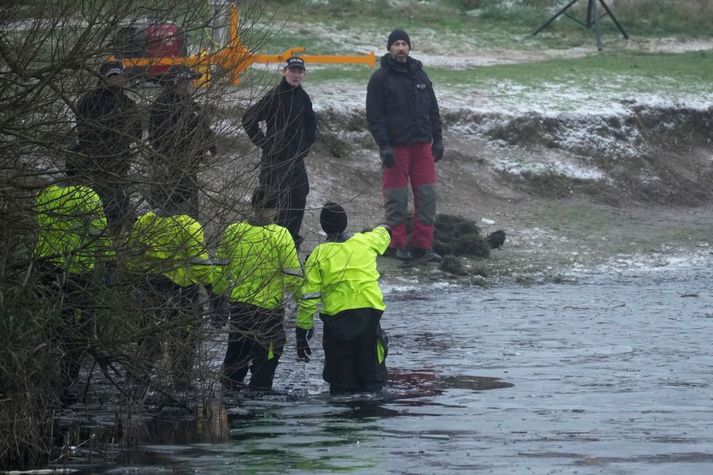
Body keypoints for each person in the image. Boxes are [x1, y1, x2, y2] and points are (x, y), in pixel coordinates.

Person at [212, 186, 303, 391]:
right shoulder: (281, 236)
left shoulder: (234, 231)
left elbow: (219, 270)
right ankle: (258, 402)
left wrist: (217, 298)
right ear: (277, 209)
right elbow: (293, 278)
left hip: (239, 309)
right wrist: (303, 304)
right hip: (268, 313)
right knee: (266, 362)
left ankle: (230, 404)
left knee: (236, 358)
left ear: (253, 205)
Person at [366, 29, 444, 262]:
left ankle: (423, 245)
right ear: (389, 48)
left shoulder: (420, 75)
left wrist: (437, 139)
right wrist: (384, 146)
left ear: (409, 48)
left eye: (404, 44)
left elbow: (433, 110)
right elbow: (374, 117)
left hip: (422, 146)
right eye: (397, 44)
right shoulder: (380, 78)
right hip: (396, 147)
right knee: (397, 197)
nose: (401, 48)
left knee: (427, 196)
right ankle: (398, 244)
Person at [297, 202, 391, 395]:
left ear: (323, 228)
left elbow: (309, 297)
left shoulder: (318, 255)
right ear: (346, 223)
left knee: (341, 384)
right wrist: (384, 225)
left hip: (338, 321)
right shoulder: (366, 241)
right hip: (369, 314)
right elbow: (385, 233)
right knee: (373, 381)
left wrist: (302, 330)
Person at [34, 179, 115, 403]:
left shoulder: (45, 193)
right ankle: (70, 379)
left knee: (53, 321)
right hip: (76, 271)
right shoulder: (87, 196)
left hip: (45, 267)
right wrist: (110, 262)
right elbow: (98, 232)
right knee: (79, 326)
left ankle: (45, 373)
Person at [125, 207, 214, 391]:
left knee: (148, 336)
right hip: (181, 291)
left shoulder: (144, 221)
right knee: (184, 340)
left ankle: (137, 380)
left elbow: (132, 258)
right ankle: (181, 383)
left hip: (149, 286)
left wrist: (134, 279)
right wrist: (211, 290)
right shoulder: (189, 225)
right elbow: (200, 264)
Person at [242, 56, 316, 248]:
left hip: (296, 161)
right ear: (285, 72)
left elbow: (311, 126)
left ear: (303, 75)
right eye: (292, 70)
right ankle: (270, 242)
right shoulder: (274, 95)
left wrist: (305, 148)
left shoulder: (303, 98)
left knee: (299, 195)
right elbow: (249, 119)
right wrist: (266, 144)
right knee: (272, 199)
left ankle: (291, 240)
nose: (296, 75)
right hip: (274, 161)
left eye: (299, 71)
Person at [72, 60, 142, 235]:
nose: (117, 80)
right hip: (96, 165)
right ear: (102, 78)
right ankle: (105, 242)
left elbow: (137, 133)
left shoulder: (128, 103)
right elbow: (85, 133)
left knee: (118, 205)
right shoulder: (89, 102)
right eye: (112, 76)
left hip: (120, 165)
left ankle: (116, 239)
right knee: (104, 207)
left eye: (120, 76)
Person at [149, 65, 216, 219]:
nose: (194, 84)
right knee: (170, 214)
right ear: (179, 83)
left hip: (189, 167)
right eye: (191, 81)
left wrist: (209, 148)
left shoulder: (191, 105)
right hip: (170, 169)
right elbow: (158, 139)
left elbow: (204, 130)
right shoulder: (163, 106)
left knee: (189, 214)